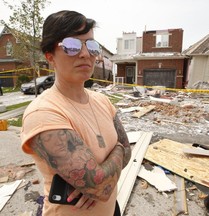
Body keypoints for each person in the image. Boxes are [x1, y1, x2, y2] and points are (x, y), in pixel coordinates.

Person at [20, 10, 131, 216]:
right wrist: (98, 182)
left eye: (91, 46)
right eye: (71, 46)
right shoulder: (43, 112)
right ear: (50, 56)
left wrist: (98, 182)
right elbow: (100, 184)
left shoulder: (102, 101)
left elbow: (127, 152)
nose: (85, 54)